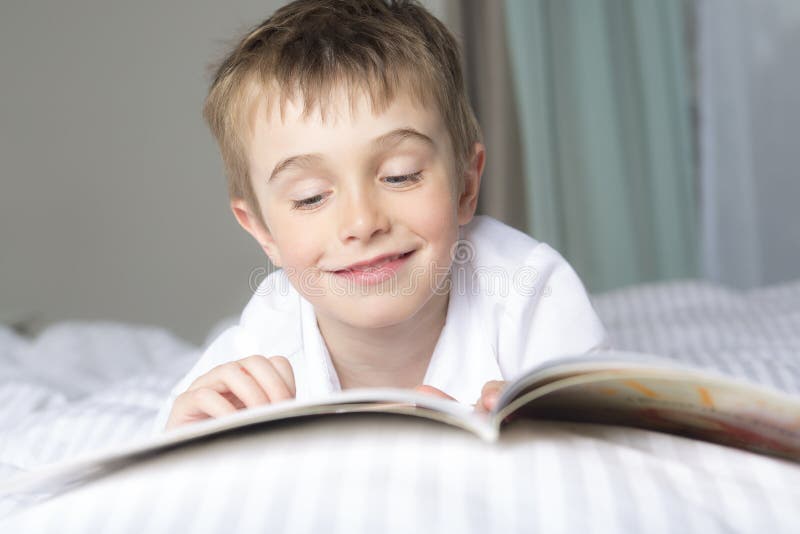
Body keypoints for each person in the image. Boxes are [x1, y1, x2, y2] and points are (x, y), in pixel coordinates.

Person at [154, 0, 607, 432]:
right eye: (311, 198)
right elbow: (172, 455)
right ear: (262, 231)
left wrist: (535, 442)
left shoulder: (532, 296)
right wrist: (186, 436)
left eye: (400, 175)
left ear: (466, 184)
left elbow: (614, 449)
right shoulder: (267, 336)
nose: (362, 222)